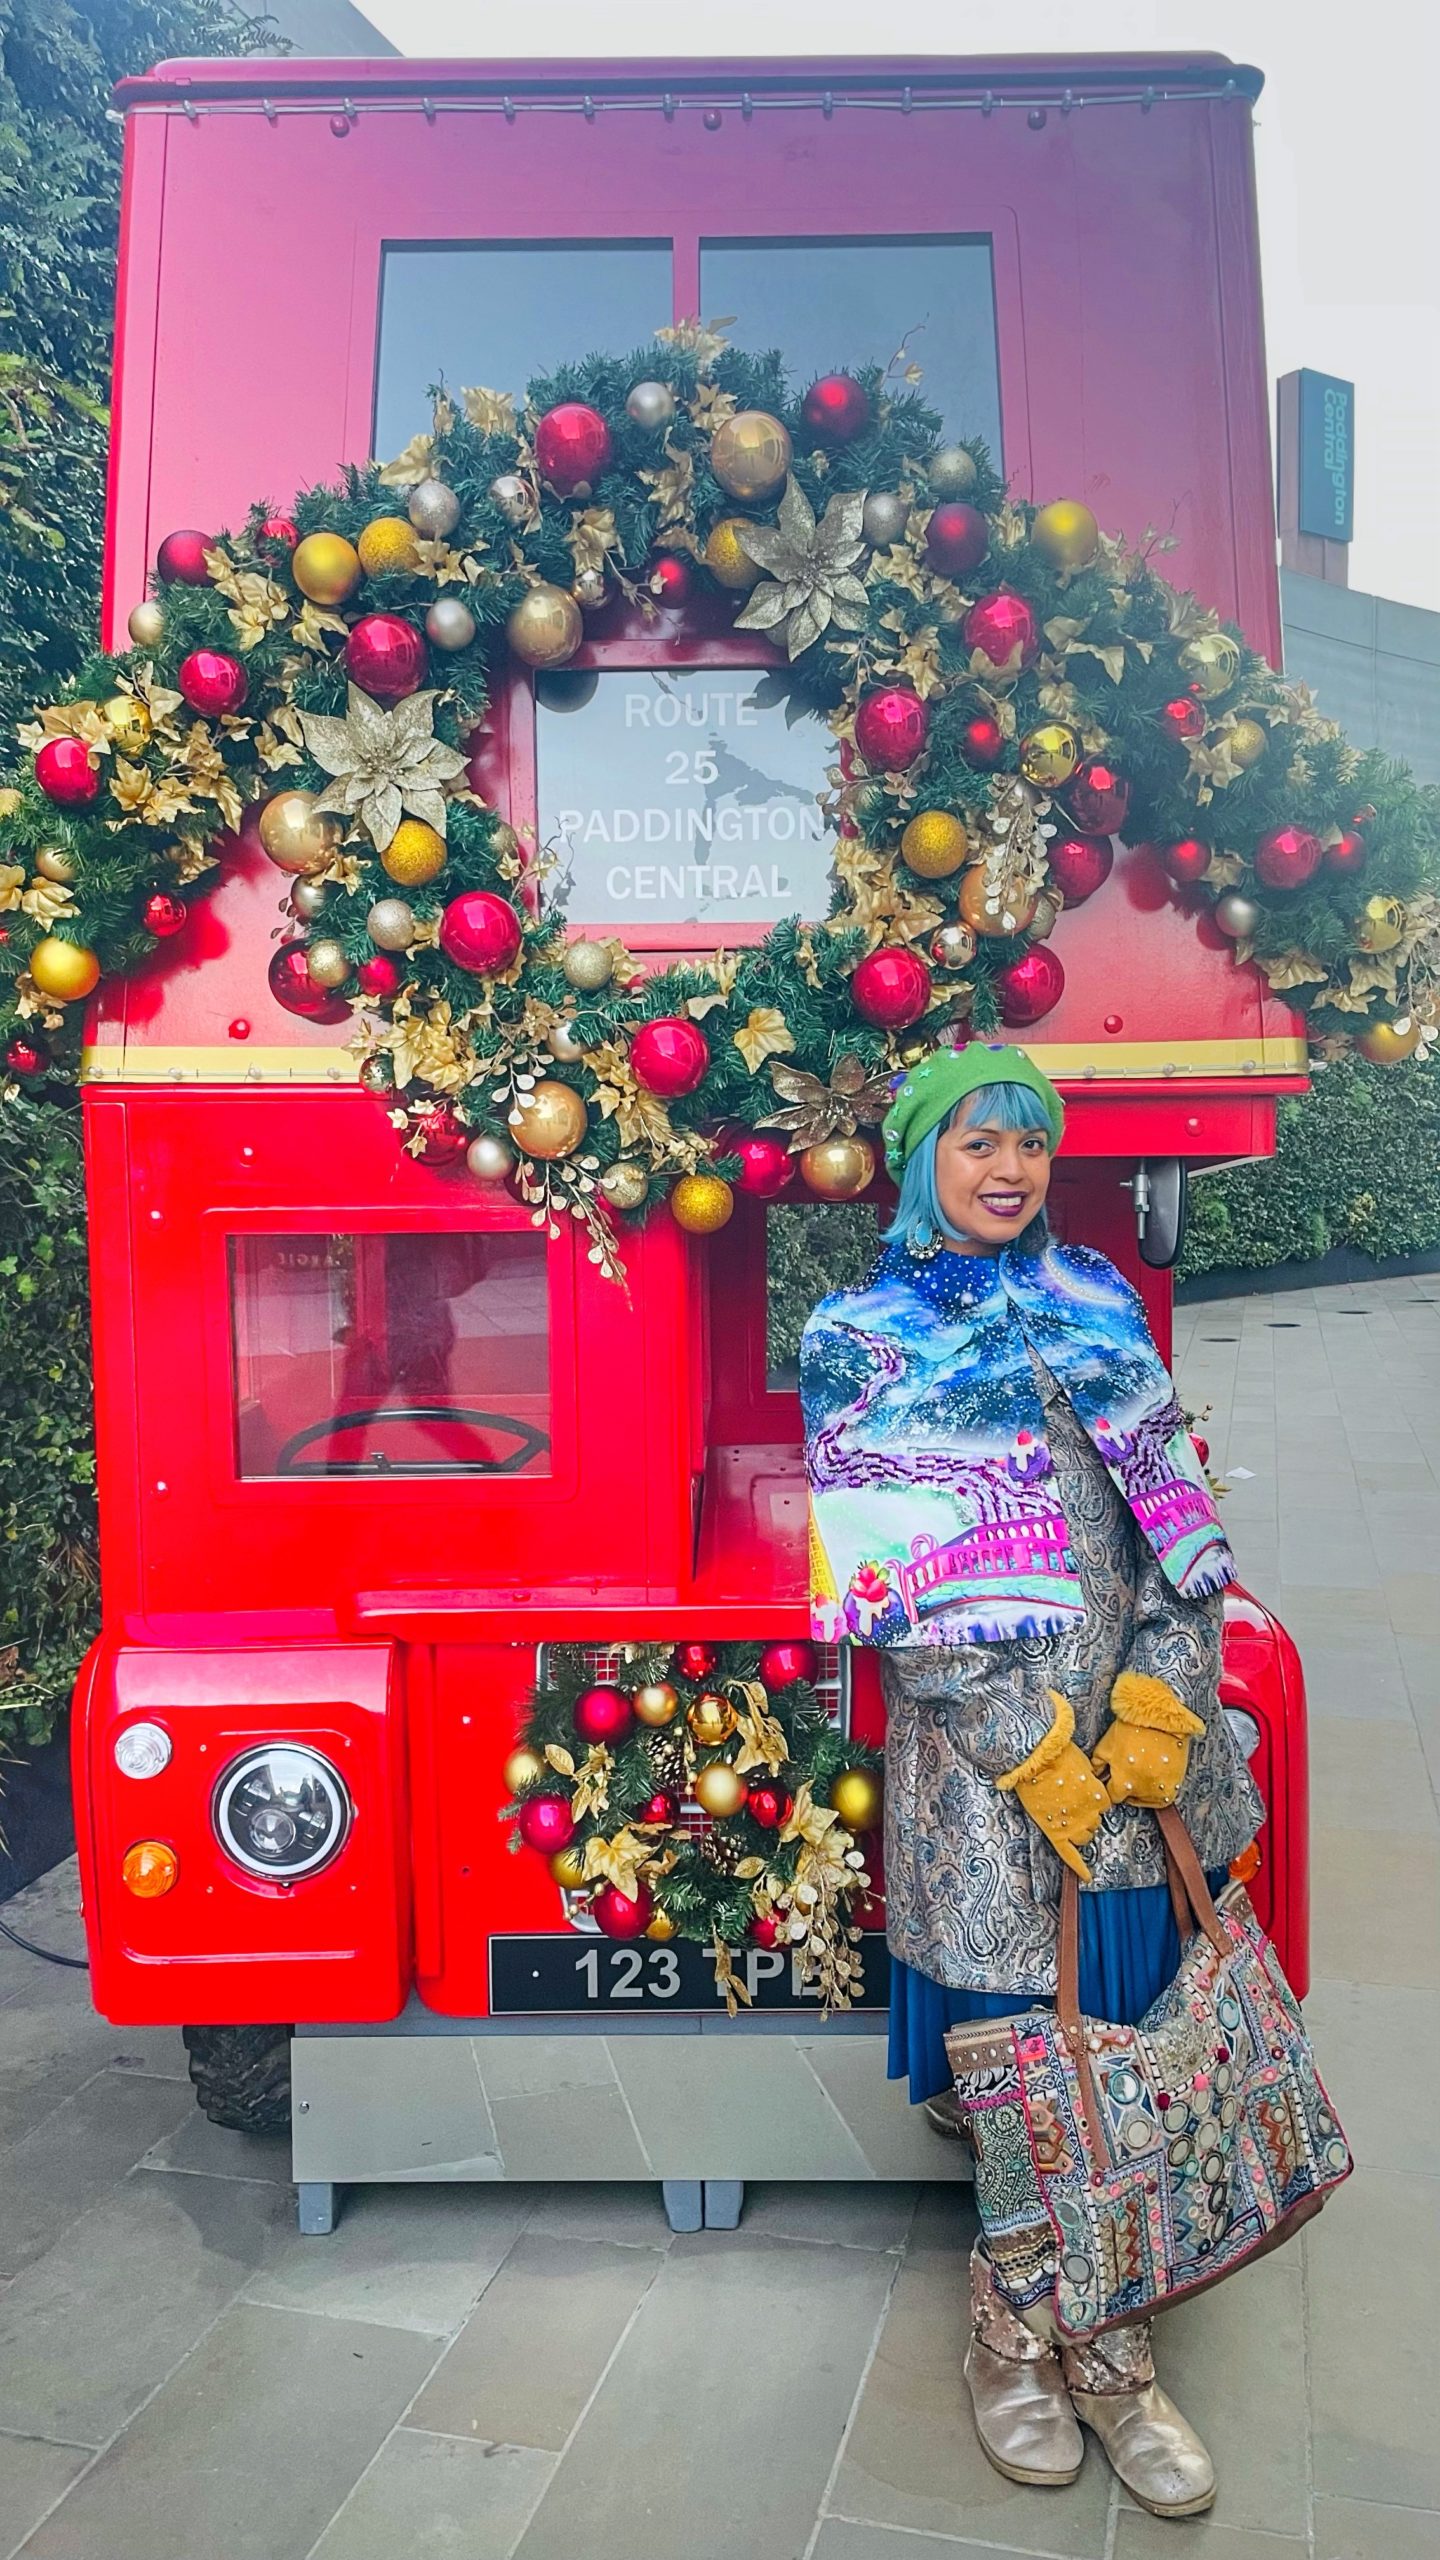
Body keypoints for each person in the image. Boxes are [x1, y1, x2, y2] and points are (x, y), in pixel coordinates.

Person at [800, 1042, 1263, 2521]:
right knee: (1016, 2058)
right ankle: (1011, 2325)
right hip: (979, 1779)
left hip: (1134, 1766)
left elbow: (1175, 1527)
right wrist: (1032, 1749)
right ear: (922, 1155)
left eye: (1032, 1147)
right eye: (978, 1144)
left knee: (1115, 2040)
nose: (1009, 1172)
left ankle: (1114, 2342)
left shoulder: (1102, 1305)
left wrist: (1160, 1702)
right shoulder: (857, 1335)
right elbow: (893, 1589)